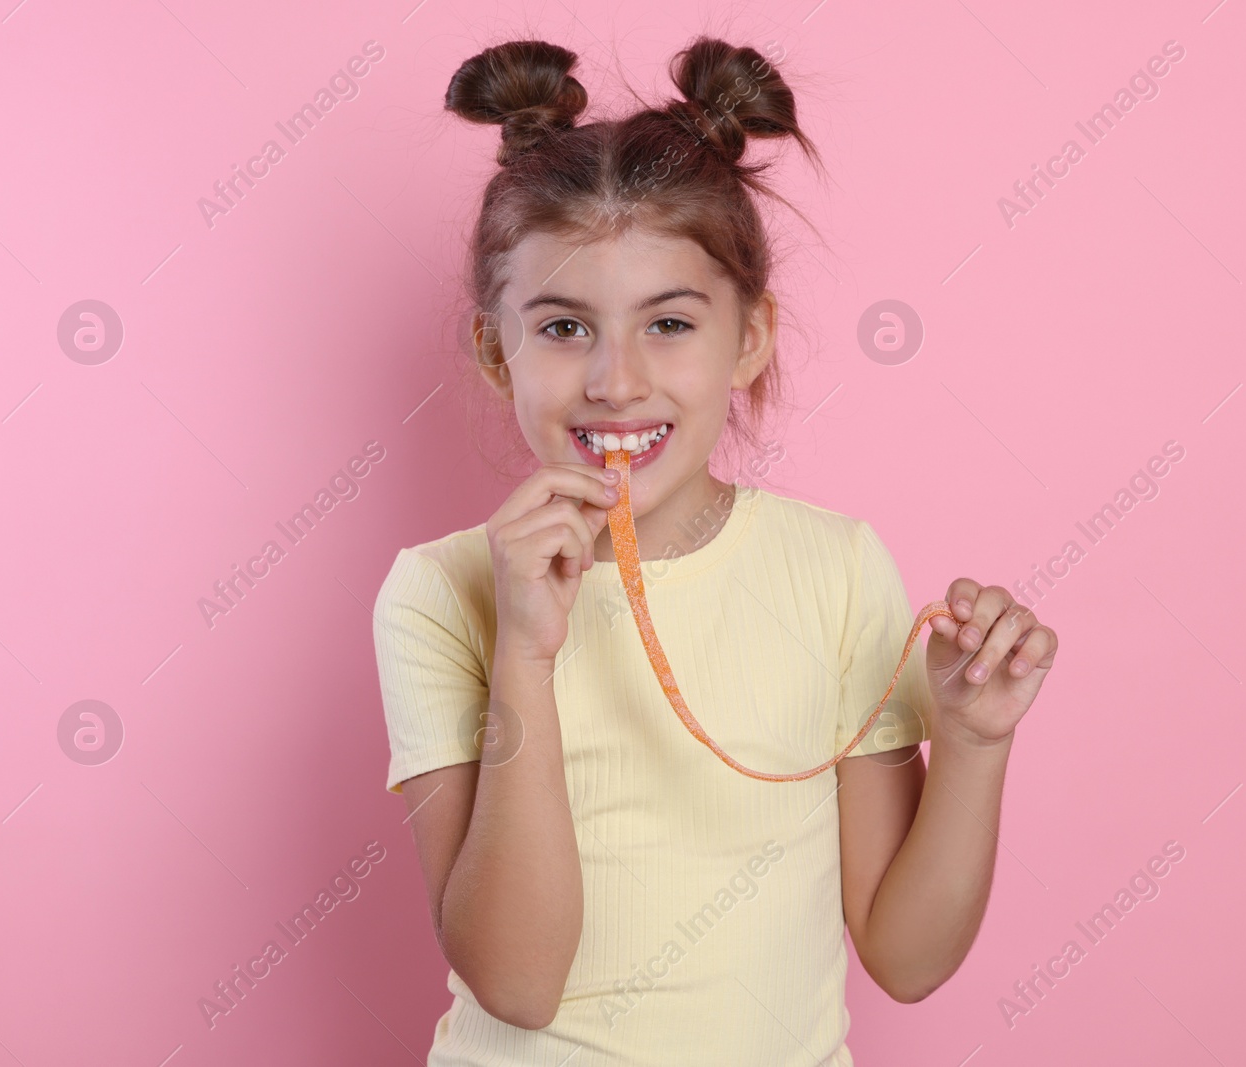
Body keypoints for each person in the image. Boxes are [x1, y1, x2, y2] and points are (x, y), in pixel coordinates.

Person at [372, 35, 1058, 1065]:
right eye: (562, 328)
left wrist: (972, 743)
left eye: (669, 324)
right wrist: (525, 649)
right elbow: (514, 982)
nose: (614, 380)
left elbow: (907, 957)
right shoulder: (438, 594)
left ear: (748, 338)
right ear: (491, 347)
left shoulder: (834, 568)